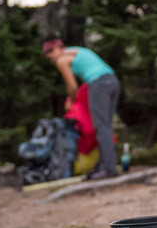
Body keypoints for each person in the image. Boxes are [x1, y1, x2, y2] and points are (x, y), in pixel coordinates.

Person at [42, 35, 121, 180]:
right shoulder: (76, 51)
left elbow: (72, 87)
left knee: (100, 126)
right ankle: (103, 165)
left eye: (50, 55)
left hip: (98, 85)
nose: (52, 60)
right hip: (112, 81)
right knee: (106, 126)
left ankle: (108, 169)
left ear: (57, 49)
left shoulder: (62, 60)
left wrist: (70, 101)